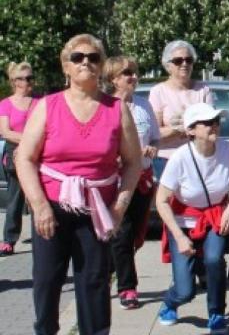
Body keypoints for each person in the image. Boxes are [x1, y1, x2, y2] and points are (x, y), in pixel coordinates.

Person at [15, 34, 142, 335]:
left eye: (93, 57)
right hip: (52, 209)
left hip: (97, 209)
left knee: (94, 281)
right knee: (46, 281)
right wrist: (40, 206)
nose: (86, 62)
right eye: (78, 57)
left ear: (101, 66)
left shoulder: (117, 109)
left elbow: (134, 162)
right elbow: (25, 159)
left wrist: (120, 207)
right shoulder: (48, 106)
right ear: (66, 67)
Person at [154, 103, 229, 334]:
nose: (215, 125)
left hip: (214, 215)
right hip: (183, 222)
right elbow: (161, 200)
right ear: (191, 130)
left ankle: (216, 313)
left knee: (214, 260)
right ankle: (171, 303)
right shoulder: (180, 158)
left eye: (217, 121)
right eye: (208, 122)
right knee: (186, 291)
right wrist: (179, 237)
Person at [105, 56, 161, 310]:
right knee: (123, 233)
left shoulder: (143, 105)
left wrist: (152, 148)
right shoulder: (106, 107)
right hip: (117, 181)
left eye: (135, 72)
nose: (133, 77)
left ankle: (103, 272)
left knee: (136, 236)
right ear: (113, 79)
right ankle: (127, 288)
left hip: (143, 179)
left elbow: (156, 139)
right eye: (127, 73)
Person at [149, 40, 213, 172]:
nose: (184, 64)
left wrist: (189, 127)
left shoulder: (204, 90)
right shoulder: (158, 92)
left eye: (188, 60)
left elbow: (212, 126)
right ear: (168, 66)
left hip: (197, 158)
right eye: (178, 61)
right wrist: (178, 129)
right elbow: (153, 133)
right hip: (166, 161)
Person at [0, 62, 39, 256]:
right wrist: (29, 138)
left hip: (37, 155)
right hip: (14, 154)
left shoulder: (40, 102)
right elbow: (6, 132)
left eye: (30, 78)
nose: (28, 82)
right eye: (23, 79)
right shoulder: (5, 104)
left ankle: (41, 236)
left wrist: (32, 140)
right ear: (14, 81)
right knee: (15, 199)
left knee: (36, 197)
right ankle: (8, 240)